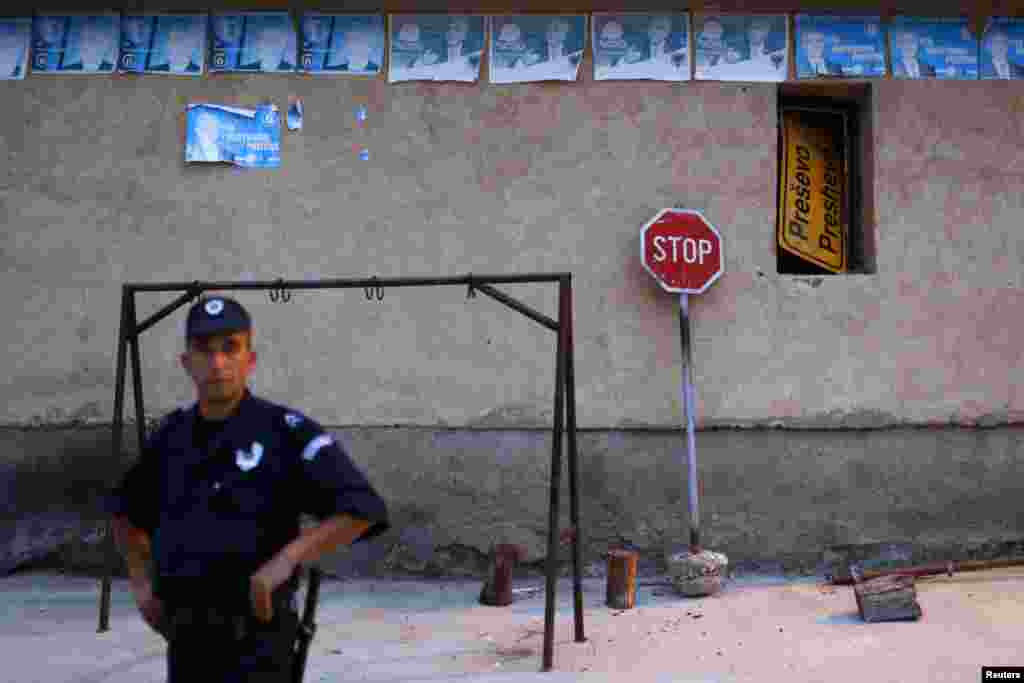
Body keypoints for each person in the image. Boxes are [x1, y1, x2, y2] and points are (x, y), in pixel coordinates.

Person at [108, 296, 390, 682]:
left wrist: (287, 560)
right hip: (186, 641)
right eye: (204, 350)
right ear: (186, 363)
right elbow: (126, 512)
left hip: (258, 643)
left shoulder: (284, 432)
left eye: (230, 348)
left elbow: (363, 510)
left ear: (250, 359)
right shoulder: (170, 437)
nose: (218, 362)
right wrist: (141, 583)